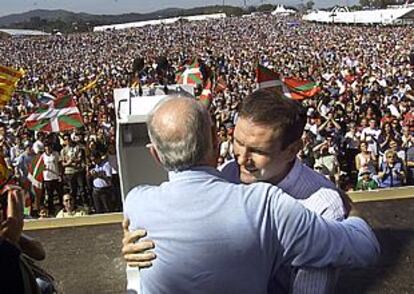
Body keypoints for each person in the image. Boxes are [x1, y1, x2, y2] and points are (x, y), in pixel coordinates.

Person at [123, 96, 379, 293]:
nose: (242, 159)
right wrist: (141, 240)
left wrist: (352, 210)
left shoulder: (322, 207)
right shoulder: (229, 172)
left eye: (257, 150)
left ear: (292, 150)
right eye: (238, 143)